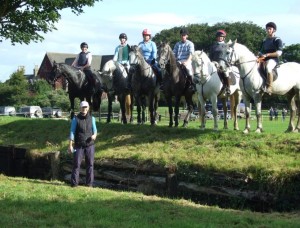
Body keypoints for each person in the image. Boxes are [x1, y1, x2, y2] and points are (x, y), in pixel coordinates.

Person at [68, 100, 97, 187]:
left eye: (86, 107)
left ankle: (89, 184)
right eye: (82, 107)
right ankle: (74, 184)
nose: (84, 109)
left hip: (90, 145)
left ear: (88, 108)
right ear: (80, 108)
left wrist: (94, 135)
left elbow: (95, 129)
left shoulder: (92, 118)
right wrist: (70, 145)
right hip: (78, 145)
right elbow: (72, 132)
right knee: (76, 165)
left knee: (90, 165)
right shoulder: (75, 119)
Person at [258, 22, 283, 95]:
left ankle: (269, 87)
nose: (268, 30)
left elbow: (279, 53)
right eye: (267, 29)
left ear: (274, 30)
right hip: (263, 59)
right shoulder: (264, 40)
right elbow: (260, 51)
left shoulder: (277, 40)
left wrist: (268, 54)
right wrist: (259, 55)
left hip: (273, 59)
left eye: (270, 29)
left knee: (269, 68)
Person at [209, 29, 231, 95]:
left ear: (224, 38)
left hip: (223, 64)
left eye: (221, 37)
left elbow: (228, 56)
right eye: (218, 37)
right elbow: (210, 55)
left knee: (225, 72)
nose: (220, 38)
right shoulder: (213, 46)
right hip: (214, 63)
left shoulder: (226, 45)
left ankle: (228, 87)